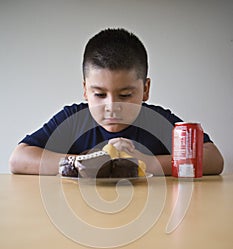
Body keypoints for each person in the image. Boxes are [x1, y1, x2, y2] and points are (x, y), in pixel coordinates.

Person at [9, 28, 224, 176]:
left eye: (125, 95)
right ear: (85, 90)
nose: (111, 107)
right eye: (100, 95)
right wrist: (80, 162)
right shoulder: (73, 119)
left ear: (145, 89)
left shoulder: (157, 120)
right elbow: (18, 159)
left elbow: (214, 158)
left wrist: (149, 163)